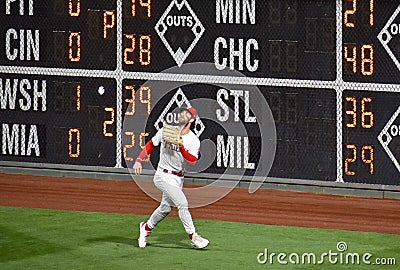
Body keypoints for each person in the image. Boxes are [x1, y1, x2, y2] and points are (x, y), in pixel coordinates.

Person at [133, 106, 209, 249]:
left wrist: (181, 147)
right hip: (162, 175)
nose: (183, 115)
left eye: (187, 114)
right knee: (182, 203)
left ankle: (146, 227)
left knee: (166, 208)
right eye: (183, 112)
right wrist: (138, 160)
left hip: (177, 178)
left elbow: (192, 162)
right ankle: (193, 236)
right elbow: (151, 144)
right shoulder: (167, 130)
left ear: (192, 119)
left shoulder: (193, 140)